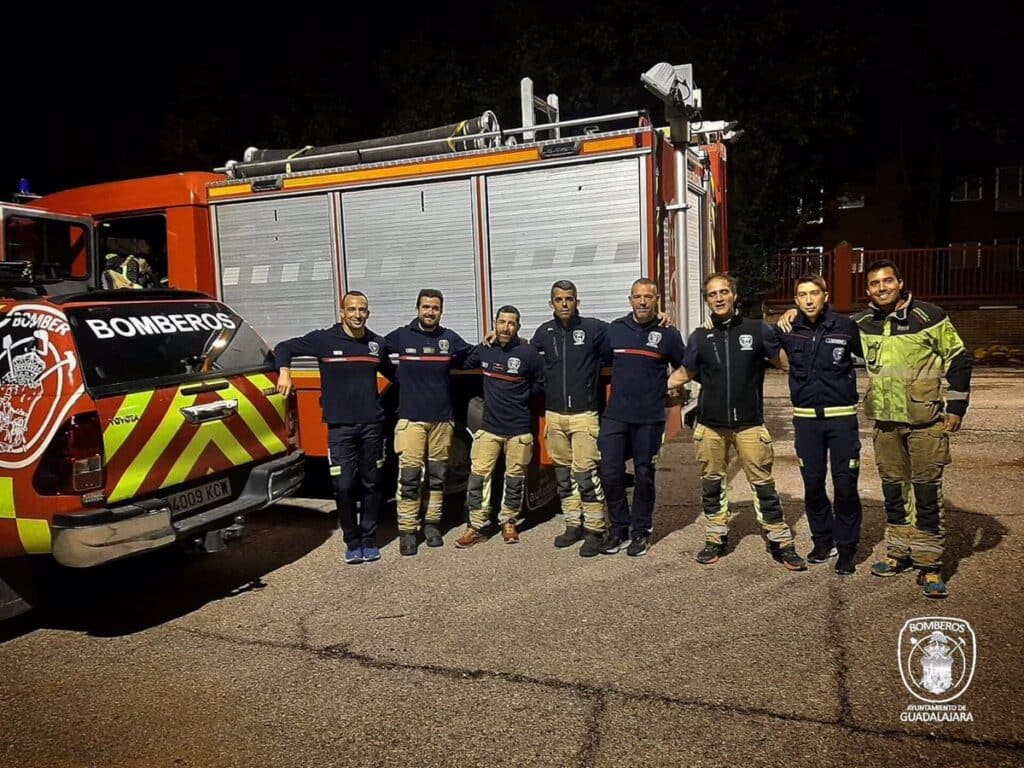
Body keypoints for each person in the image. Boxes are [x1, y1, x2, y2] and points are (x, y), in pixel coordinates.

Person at [668, 273, 807, 571]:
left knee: (763, 484)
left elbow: (784, 363)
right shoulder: (699, 337)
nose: (718, 298)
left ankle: (779, 539)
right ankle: (715, 537)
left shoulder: (756, 330)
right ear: (707, 300)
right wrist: (648, 387)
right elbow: (683, 373)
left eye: (723, 292)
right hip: (709, 425)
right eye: (712, 294)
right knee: (712, 484)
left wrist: (793, 321)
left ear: (734, 295)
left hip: (749, 425)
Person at [852, 260, 972, 597]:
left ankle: (930, 564)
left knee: (925, 492)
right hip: (886, 425)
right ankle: (898, 552)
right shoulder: (862, 324)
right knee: (894, 492)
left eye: (888, 281)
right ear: (868, 290)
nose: (882, 287)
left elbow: (959, 359)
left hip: (925, 423)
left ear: (900, 283)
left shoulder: (929, 316)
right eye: (875, 283)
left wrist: (957, 407)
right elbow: (828, 334)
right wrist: (791, 317)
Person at [274, 291, 391, 564]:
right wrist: (285, 372)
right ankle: (352, 542)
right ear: (342, 313)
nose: (358, 315)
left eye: (362, 310)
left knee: (372, 485)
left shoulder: (376, 344)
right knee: (344, 486)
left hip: (371, 426)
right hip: (339, 428)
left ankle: (369, 540)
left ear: (368, 313)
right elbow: (284, 348)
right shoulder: (323, 340)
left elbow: (395, 374)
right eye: (352, 309)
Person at [776, 274, 864, 575]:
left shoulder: (845, 327)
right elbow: (750, 340)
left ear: (825, 296)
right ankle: (823, 541)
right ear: (796, 300)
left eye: (814, 293)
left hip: (841, 419)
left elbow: (875, 353)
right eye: (802, 295)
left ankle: (847, 548)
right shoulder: (788, 329)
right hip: (806, 422)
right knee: (813, 485)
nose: (809, 300)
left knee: (845, 486)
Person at [597, 278, 686, 557]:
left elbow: (684, 366)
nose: (643, 301)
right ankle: (619, 529)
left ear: (656, 299)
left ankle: (640, 532)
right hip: (616, 416)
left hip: (649, 417)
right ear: (630, 300)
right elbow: (594, 358)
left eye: (648, 296)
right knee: (610, 473)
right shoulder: (615, 330)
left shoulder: (668, 333)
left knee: (645, 474)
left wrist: (669, 388)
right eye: (638, 296)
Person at [385, 289, 474, 556]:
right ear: (417, 309)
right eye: (426, 307)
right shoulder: (401, 337)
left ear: (441, 311)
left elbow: (472, 354)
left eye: (435, 308)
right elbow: (375, 352)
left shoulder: (449, 339)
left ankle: (432, 525)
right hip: (411, 420)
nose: (430, 312)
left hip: (441, 421)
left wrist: (492, 341)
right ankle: (408, 531)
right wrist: (396, 375)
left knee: (437, 477)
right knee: (410, 477)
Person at [528, 280, 609, 557]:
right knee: (563, 477)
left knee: (585, 476)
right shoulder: (543, 332)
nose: (564, 304)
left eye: (569, 299)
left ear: (578, 302)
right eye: (559, 299)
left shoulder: (594, 329)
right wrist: (494, 339)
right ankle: (573, 525)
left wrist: (659, 319)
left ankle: (596, 530)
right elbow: (523, 354)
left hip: (584, 415)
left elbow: (627, 332)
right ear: (551, 304)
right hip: (555, 416)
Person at [454, 306, 544, 547]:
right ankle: (476, 526)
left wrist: (523, 396)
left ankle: (509, 521)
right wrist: (482, 344)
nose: (506, 327)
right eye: (502, 322)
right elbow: (464, 362)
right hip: (489, 428)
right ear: (494, 324)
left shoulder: (528, 353)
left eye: (511, 323)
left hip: (519, 429)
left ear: (518, 327)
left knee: (514, 478)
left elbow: (541, 383)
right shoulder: (487, 351)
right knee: (478, 478)